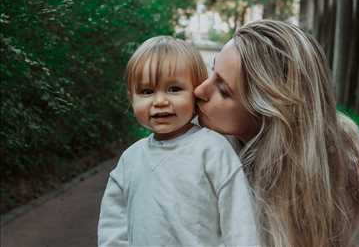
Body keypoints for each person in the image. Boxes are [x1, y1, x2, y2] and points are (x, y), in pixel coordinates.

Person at [194, 20, 359, 247]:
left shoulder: (344, 168)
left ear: (267, 113)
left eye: (224, 91)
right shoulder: (200, 146)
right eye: (213, 70)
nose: (200, 90)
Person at [97, 36, 258, 246]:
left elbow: (239, 222)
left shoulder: (213, 150)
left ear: (195, 92)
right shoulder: (130, 161)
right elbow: (113, 226)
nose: (160, 101)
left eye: (174, 89)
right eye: (147, 92)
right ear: (131, 98)